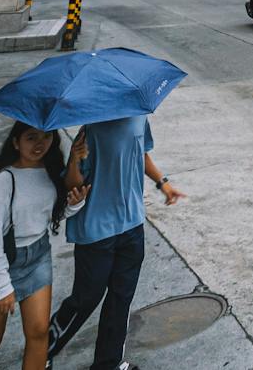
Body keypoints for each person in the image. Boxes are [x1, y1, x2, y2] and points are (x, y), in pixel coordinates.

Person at [48, 117, 184, 370]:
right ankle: (44, 348)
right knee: (86, 298)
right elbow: (72, 184)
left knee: (121, 298)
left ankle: (107, 363)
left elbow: (141, 154)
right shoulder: (90, 130)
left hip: (132, 224)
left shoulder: (139, 118)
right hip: (97, 229)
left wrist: (163, 183)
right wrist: (76, 159)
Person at [0, 123, 87, 370]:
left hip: (38, 258)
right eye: (31, 138)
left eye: (46, 137)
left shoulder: (51, 171)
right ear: (16, 142)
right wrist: (2, 284)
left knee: (39, 334)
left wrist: (74, 205)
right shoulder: (3, 180)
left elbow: (48, 216)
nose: (40, 144)